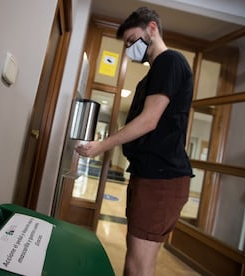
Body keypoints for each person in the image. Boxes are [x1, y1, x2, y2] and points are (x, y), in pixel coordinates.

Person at [75, 7, 193, 276]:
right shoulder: (150, 76)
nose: (130, 48)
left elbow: (149, 120)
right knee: (133, 261)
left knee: (139, 266)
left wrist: (100, 146)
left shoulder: (169, 62)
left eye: (132, 40)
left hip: (161, 178)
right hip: (149, 174)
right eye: (126, 44)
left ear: (152, 28)